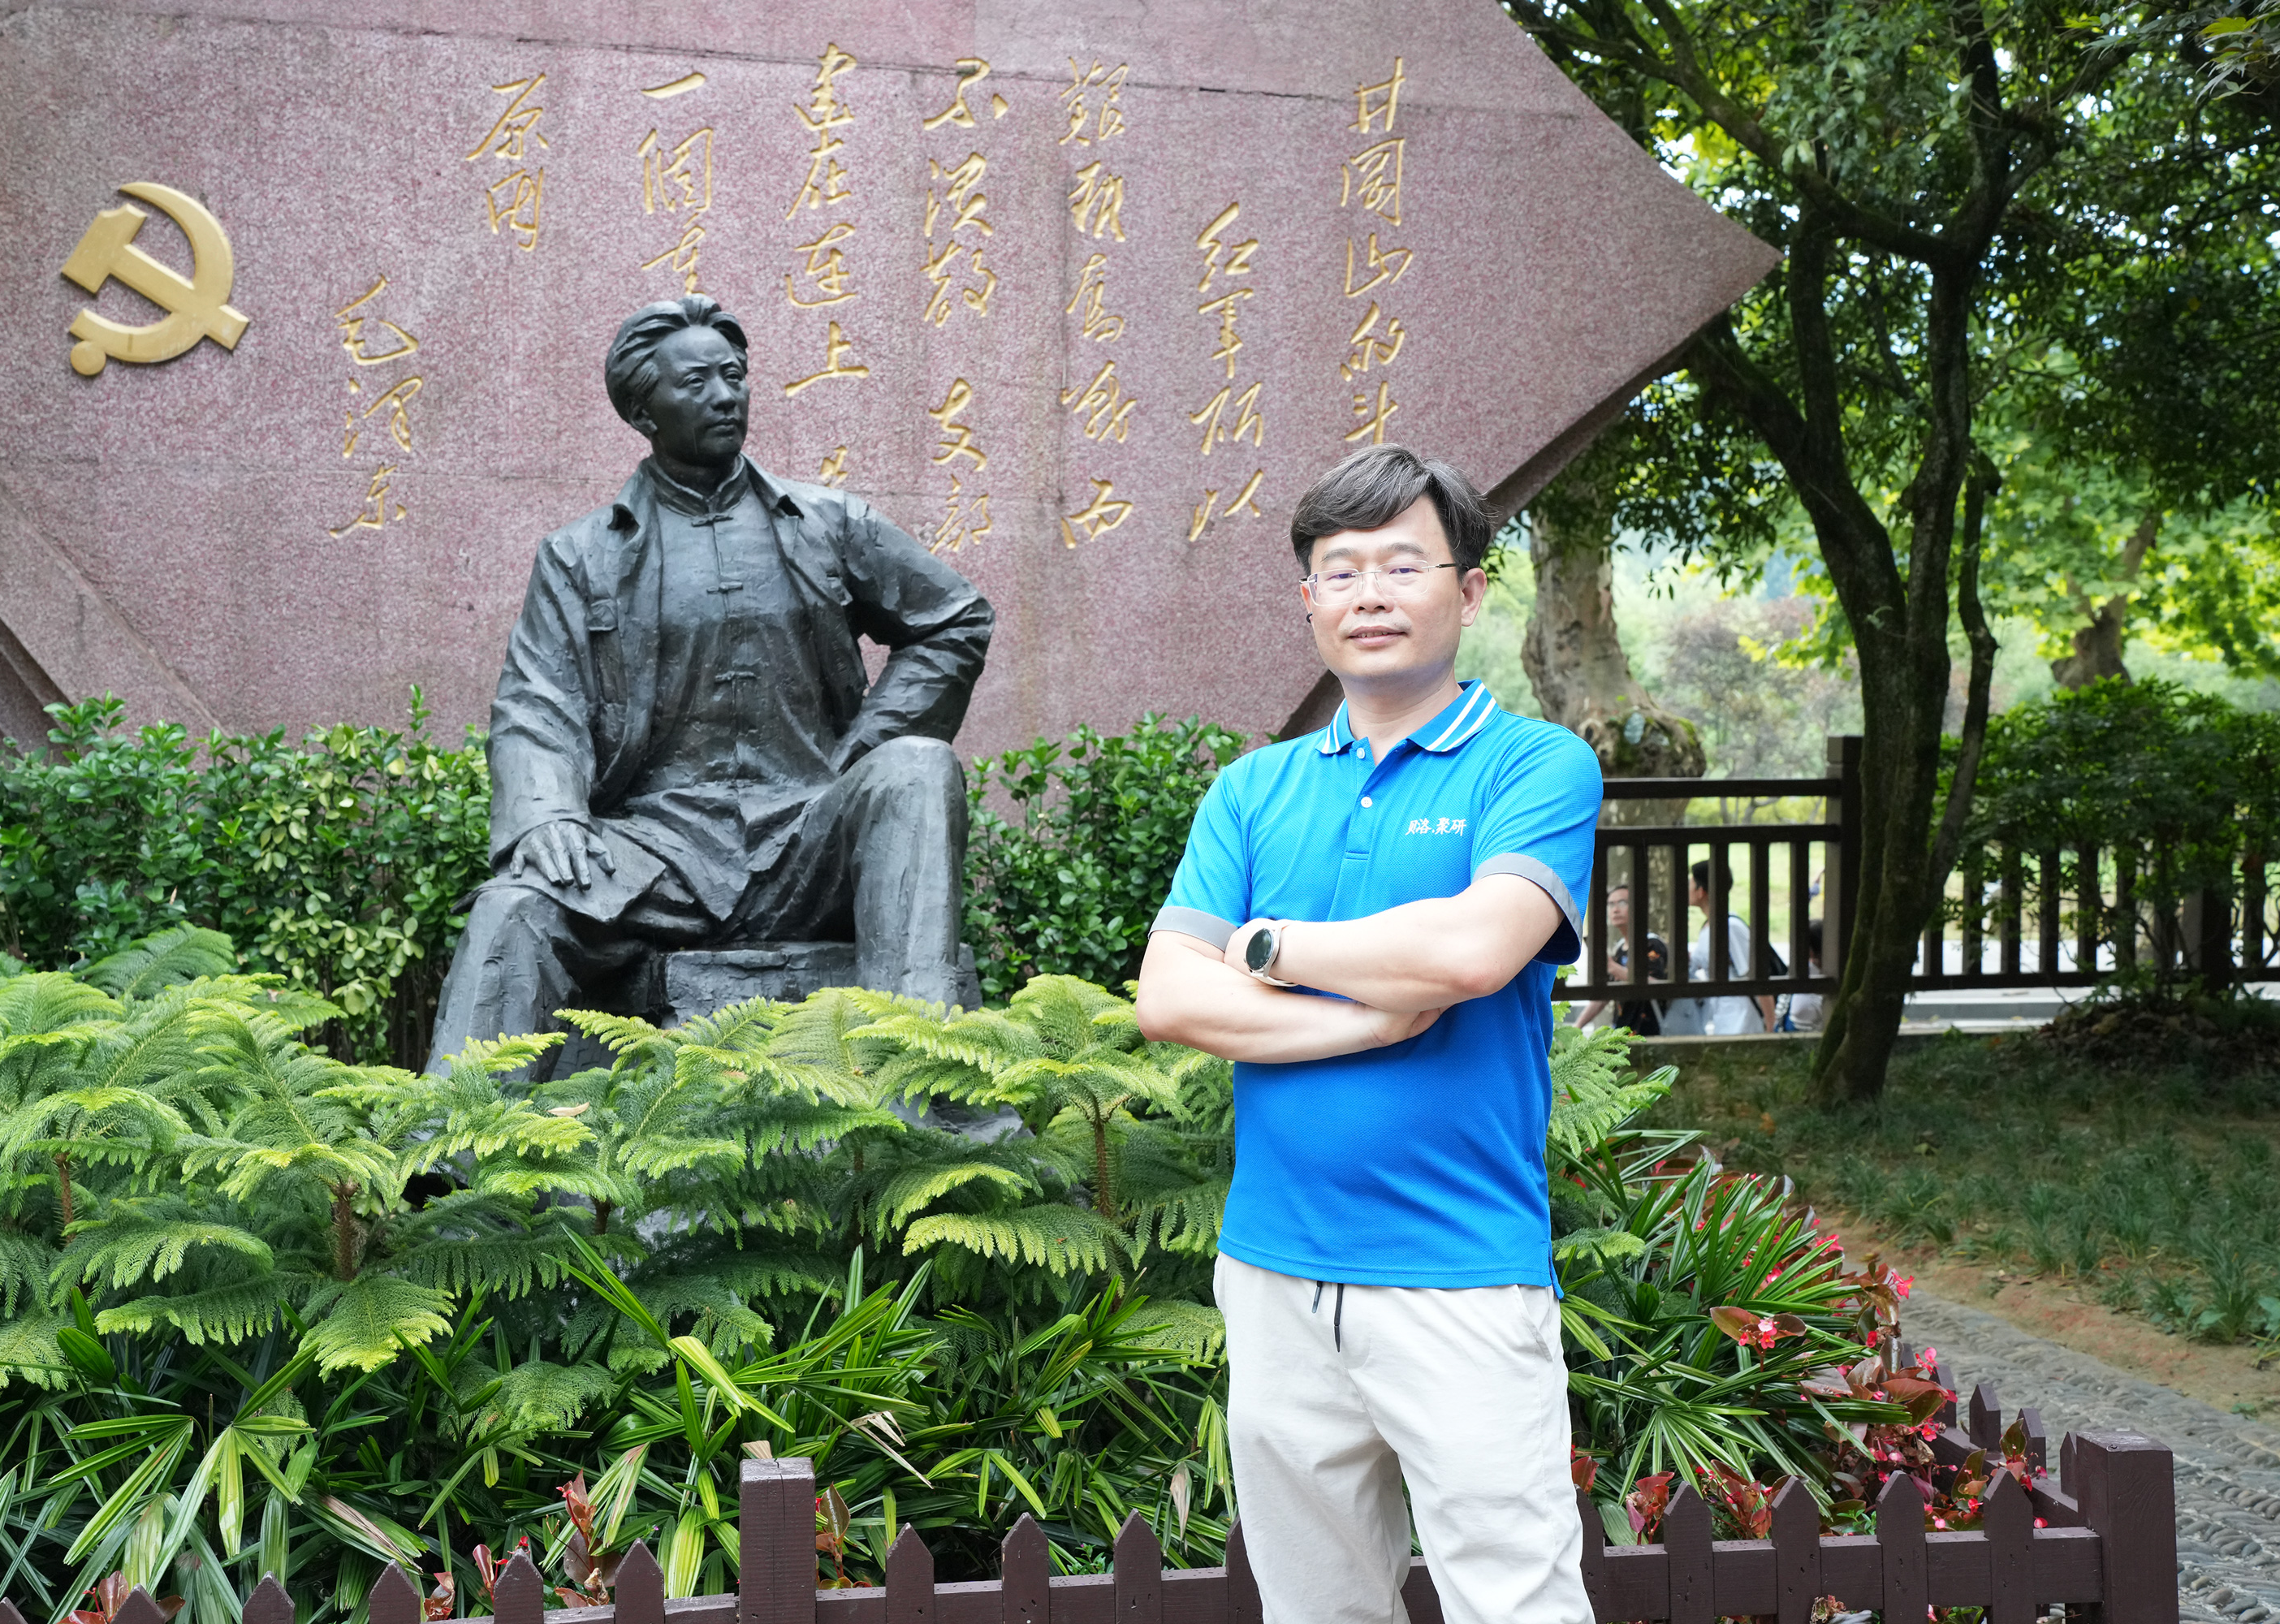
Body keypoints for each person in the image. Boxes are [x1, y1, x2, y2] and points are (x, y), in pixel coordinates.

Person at [1134, 445, 1600, 1624]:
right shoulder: (1254, 789)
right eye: (1341, 571)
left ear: (1470, 590)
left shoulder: (1536, 766)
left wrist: (1265, 945)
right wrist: (1373, 1017)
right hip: (1272, 1275)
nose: (1370, 594)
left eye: (1403, 564)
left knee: (1517, 1604)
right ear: (1309, 601)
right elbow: (1169, 998)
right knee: (1316, 1609)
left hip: (1460, 1274)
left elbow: (1473, 952)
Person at [426, 296, 993, 1067]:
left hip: (807, 840)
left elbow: (953, 620)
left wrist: (868, 746)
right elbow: (537, 702)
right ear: (643, 411)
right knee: (514, 907)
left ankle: (920, 1084)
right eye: (696, 383)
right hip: (657, 857)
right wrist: (546, 814)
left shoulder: (829, 524)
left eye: (734, 376)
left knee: (917, 766)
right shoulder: (581, 557)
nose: (726, 396)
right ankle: (456, 1133)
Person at [1686, 857, 1774, 1034]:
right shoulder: (1708, 928)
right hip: (1723, 1017)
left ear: (1701, 891)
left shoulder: (1730, 928)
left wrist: (1771, 1025)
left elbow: (1757, 976)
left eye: (1690, 883)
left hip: (1743, 1019)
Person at [1576, 881, 1669, 1035]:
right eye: (1611, 904)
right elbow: (1604, 996)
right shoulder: (1620, 948)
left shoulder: (1652, 944)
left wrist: (1612, 967)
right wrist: (1577, 1026)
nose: (1615, 909)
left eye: (1622, 903)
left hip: (1649, 1033)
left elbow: (1658, 986)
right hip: (1622, 1033)